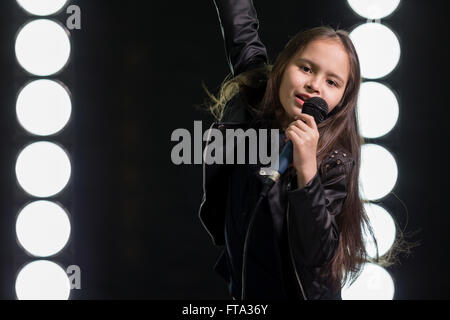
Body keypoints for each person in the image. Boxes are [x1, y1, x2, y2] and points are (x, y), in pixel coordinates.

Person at [198, 0, 407, 300]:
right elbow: (240, 31)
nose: (314, 85)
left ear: (341, 101)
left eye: (332, 82)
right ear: (282, 68)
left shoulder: (334, 161)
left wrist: (307, 170)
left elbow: (318, 254)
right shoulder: (254, 101)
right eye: (306, 68)